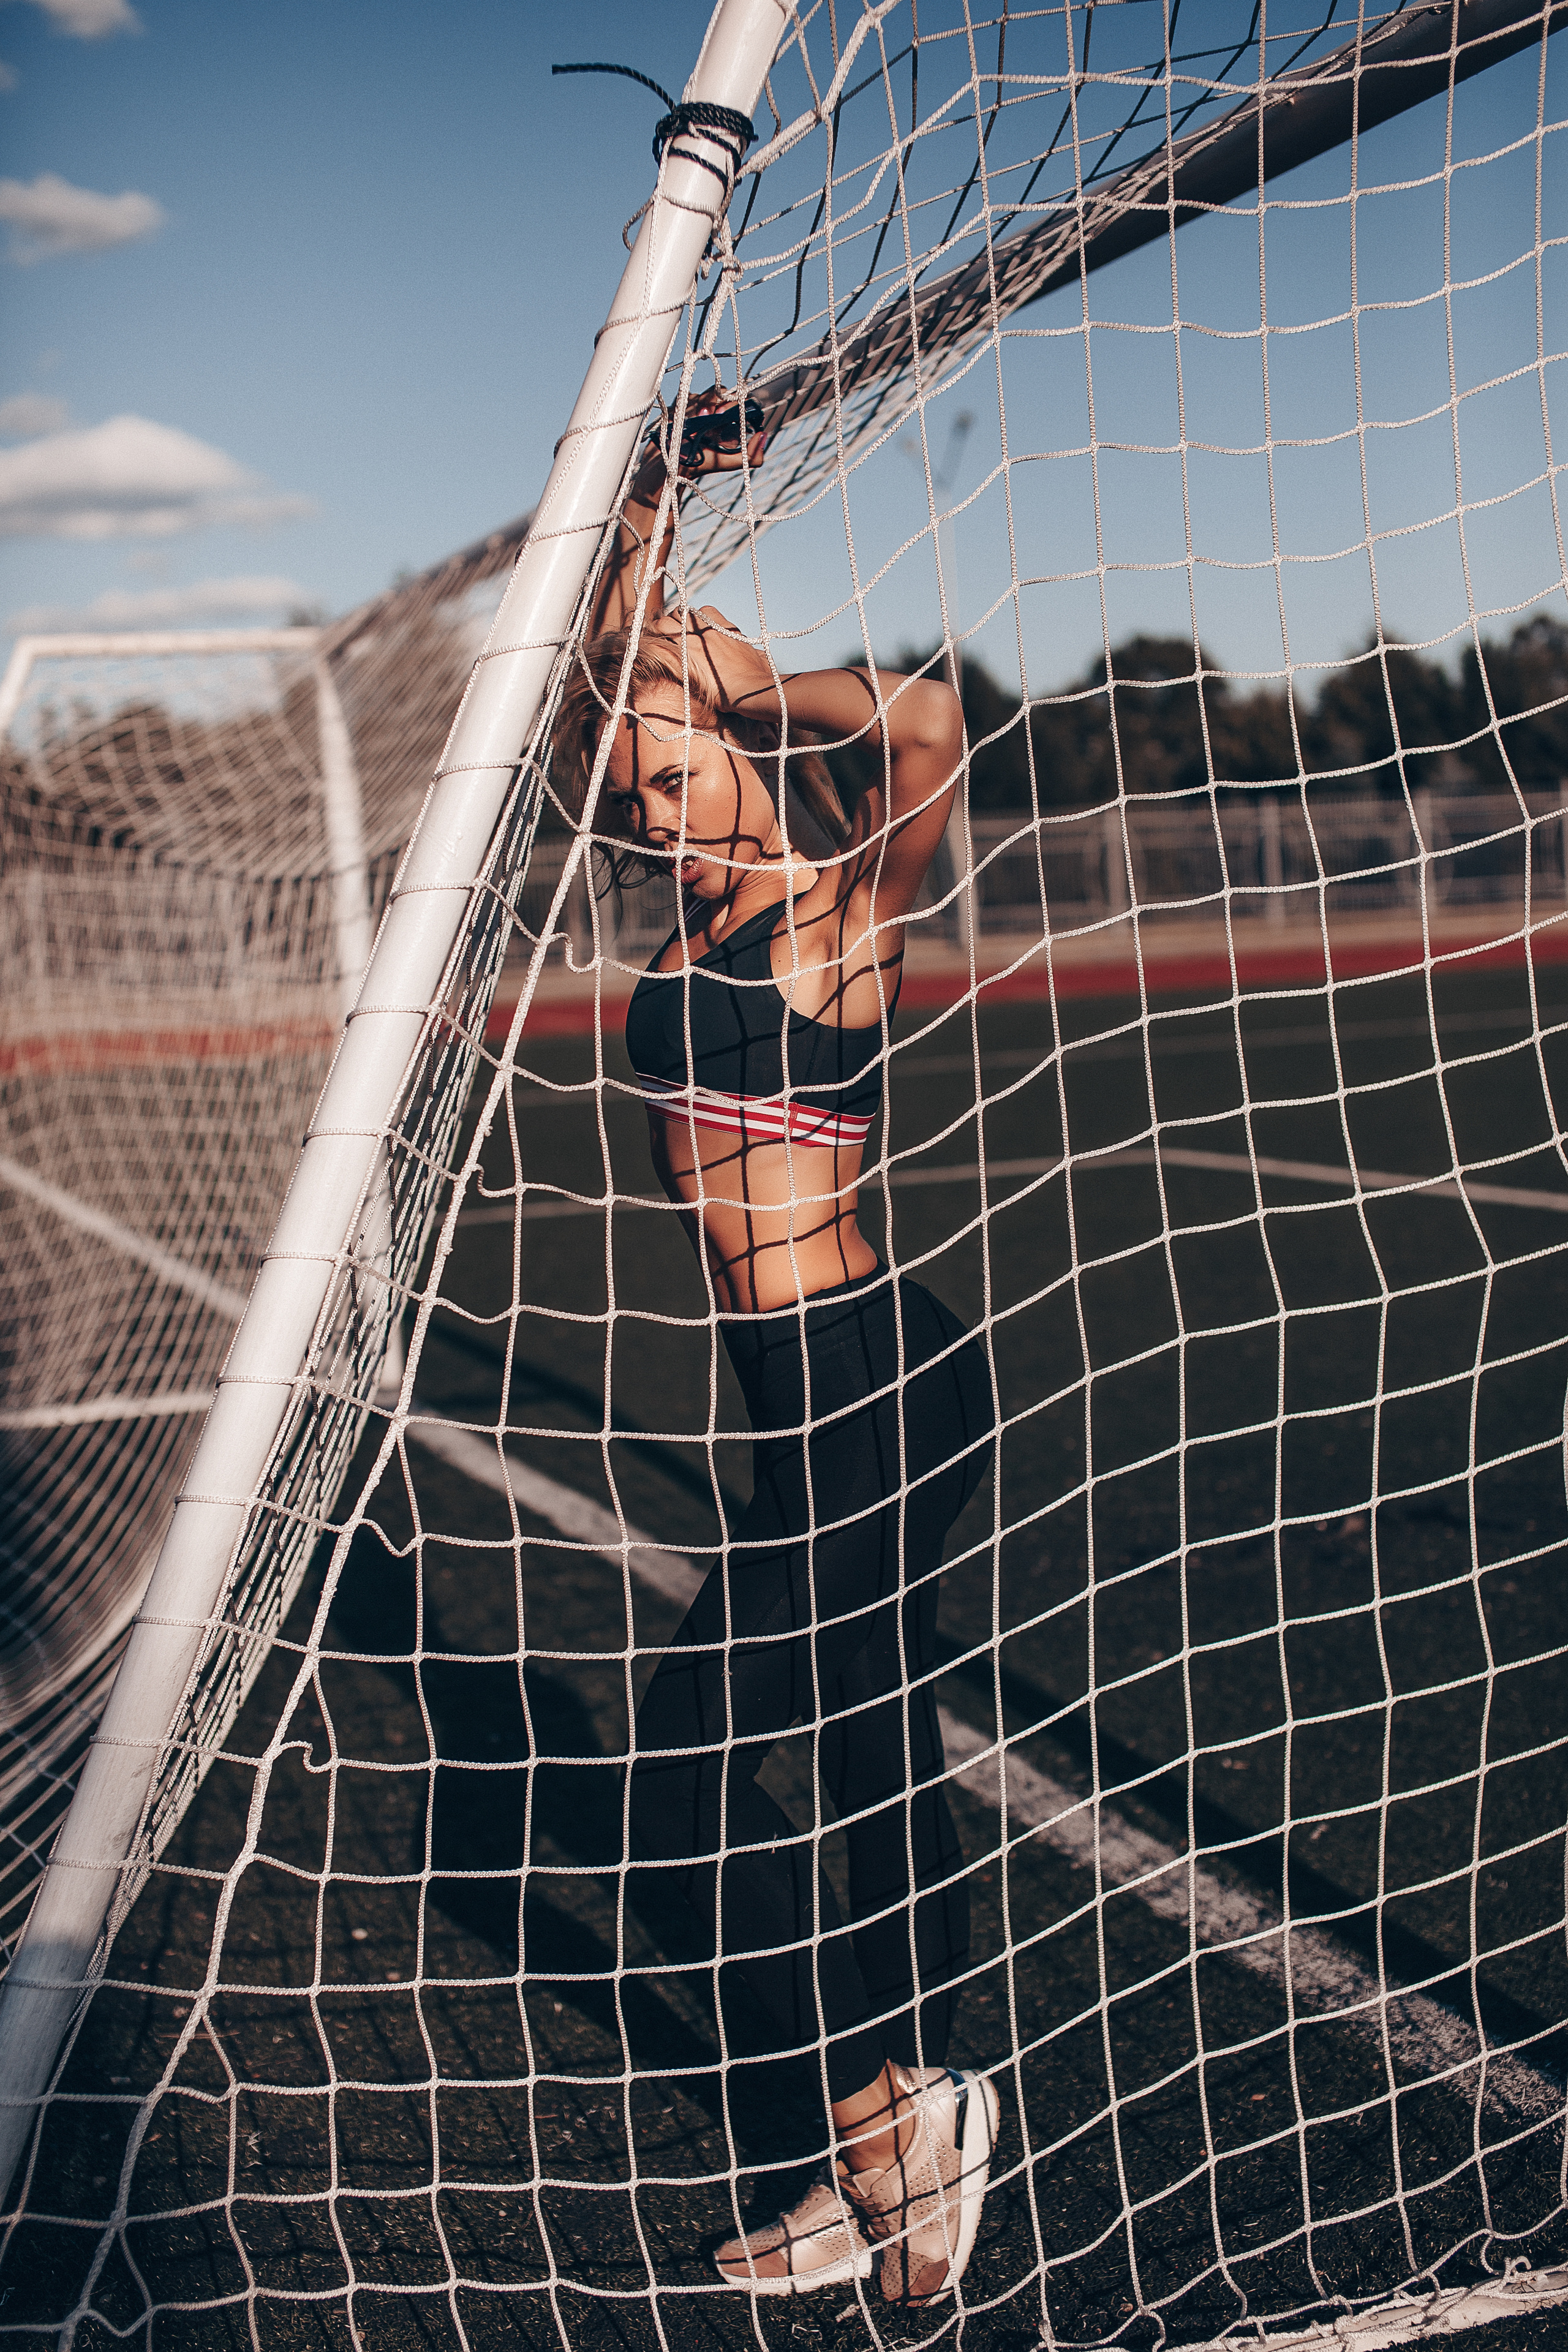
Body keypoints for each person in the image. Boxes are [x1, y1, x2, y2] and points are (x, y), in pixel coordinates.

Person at [551, 393, 998, 2305]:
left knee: (741, 1753)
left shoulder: (830, 916)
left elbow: (926, 729)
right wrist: (646, 499)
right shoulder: (673, 947)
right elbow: (597, 681)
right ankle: (901, 2121)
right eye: (637, 789)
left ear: (737, 752)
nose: (657, 807)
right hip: (780, 1406)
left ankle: (898, 2123)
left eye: (683, 775)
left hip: (877, 1377)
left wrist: (743, 680)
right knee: (846, 1740)